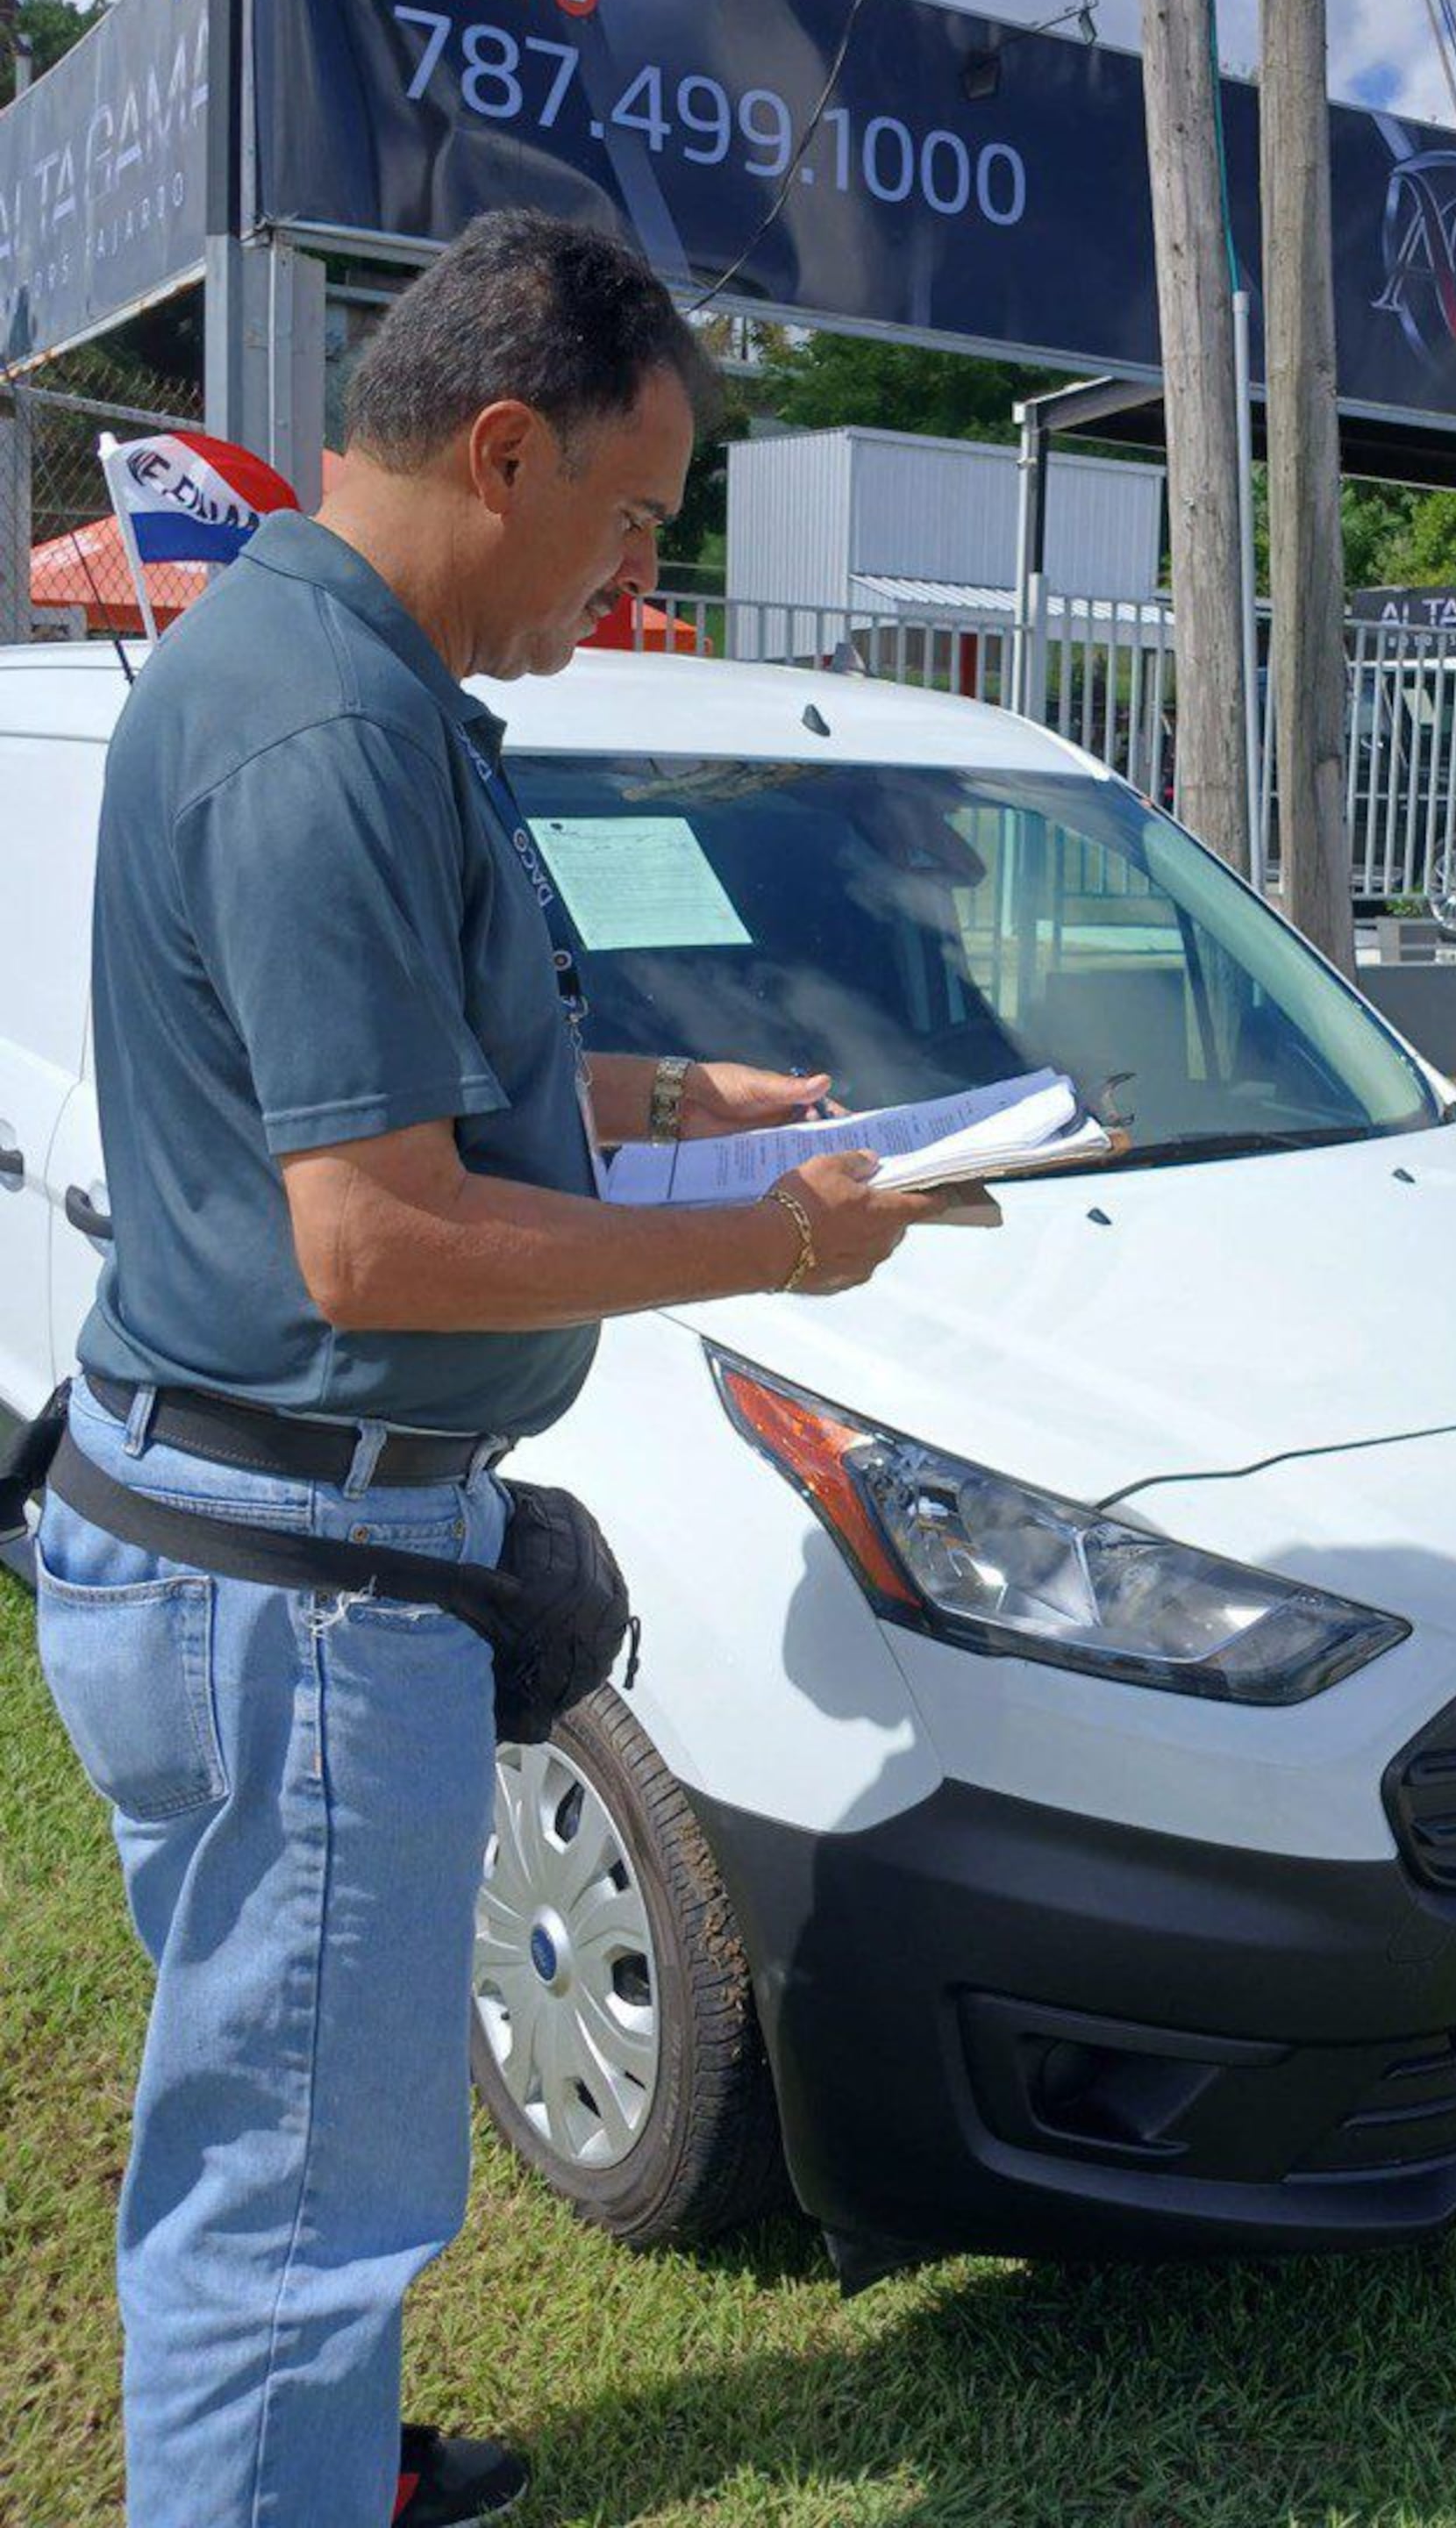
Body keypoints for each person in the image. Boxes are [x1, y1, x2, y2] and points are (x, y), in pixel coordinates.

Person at [32, 210, 963, 2527]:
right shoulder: (330, 725)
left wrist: (687, 1108)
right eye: (636, 515)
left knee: (260, 2126)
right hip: (302, 1572)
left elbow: (433, 1084)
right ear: (506, 446)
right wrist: (776, 1243)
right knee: (293, 2201)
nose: (638, 572)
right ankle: (279, 2468)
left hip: (229, 1523)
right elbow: (376, 1236)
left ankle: (306, 2464)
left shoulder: (316, 671)